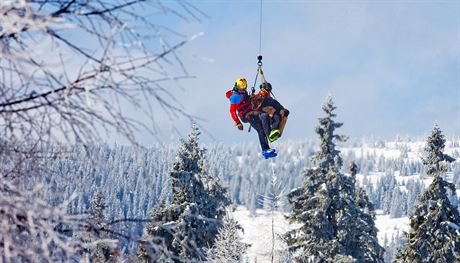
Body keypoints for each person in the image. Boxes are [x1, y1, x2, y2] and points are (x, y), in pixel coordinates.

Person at [226, 77, 277, 159]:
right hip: (246, 115)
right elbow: (232, 111)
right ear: (237, 87)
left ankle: (269, 138)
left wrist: (256, 95)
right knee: (260, 129)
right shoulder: (235, 97)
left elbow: (248, 100)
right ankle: (265, 150)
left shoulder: (242, 93)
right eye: (241, 88)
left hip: (252, 111)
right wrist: (238, 122)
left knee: (264, 117)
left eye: (244, 88)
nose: (243, 90)